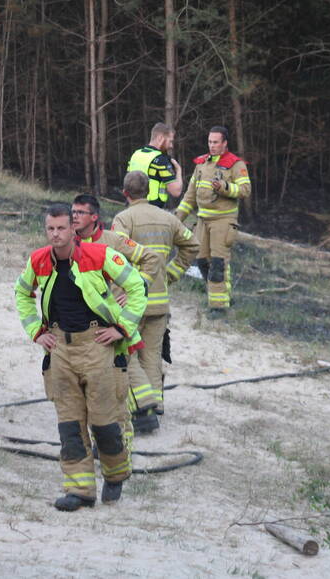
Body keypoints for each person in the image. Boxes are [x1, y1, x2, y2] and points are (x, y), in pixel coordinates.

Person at [14, 203, 148, 511]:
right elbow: (21, 294)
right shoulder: (38, 261)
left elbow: (137, 286)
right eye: (51, 229)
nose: (56, 234)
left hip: (98, 345)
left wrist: (123, 327)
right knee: (70, 425)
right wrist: (36, 331)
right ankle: (80, 489)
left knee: (104, 423)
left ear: (74, 229)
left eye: (62, 228)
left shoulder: (99, 256)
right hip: (60, 348)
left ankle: (115, 474)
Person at [112, 170, 199, 422]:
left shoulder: (123, 219)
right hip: (160, 301)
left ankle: (141, 407)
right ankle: (157, 408)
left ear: (125, 193)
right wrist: (169, 273)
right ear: (149, 191)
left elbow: (116, 257)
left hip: (131, 301)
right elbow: (192, 245)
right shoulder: (168, 218)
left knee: (127, 353)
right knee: (151, 355)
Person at [71, 194, 161, 434]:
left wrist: (137, 287)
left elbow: (151, 258)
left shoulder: (114, 240)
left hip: (113, 316)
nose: (75, 217)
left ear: (94, 217)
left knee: (123, 360)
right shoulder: (68, 241)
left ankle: (144, 412)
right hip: (82, 318)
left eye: (80, 212)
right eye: (73, 212)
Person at [175, 125, 251, 314]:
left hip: (223, 221)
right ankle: (216, 295)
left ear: (225, 143)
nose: (212, 145)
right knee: (201, 260)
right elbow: (190, 196)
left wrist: (225, 187)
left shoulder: (236, 164)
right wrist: (177, 219)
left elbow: (245, 190)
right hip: (202, 220)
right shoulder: (201, 164)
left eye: (216, 142)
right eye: (210, 141)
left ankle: (219, 308)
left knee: (218, 263)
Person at [127, 122, 183, 209]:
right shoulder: (160, 160)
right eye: (170, 141)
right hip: (152, 210)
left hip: (132, 208)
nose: (171, 146)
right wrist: (179, 171)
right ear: (160, 138)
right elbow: (176, 191)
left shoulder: (136, 155)